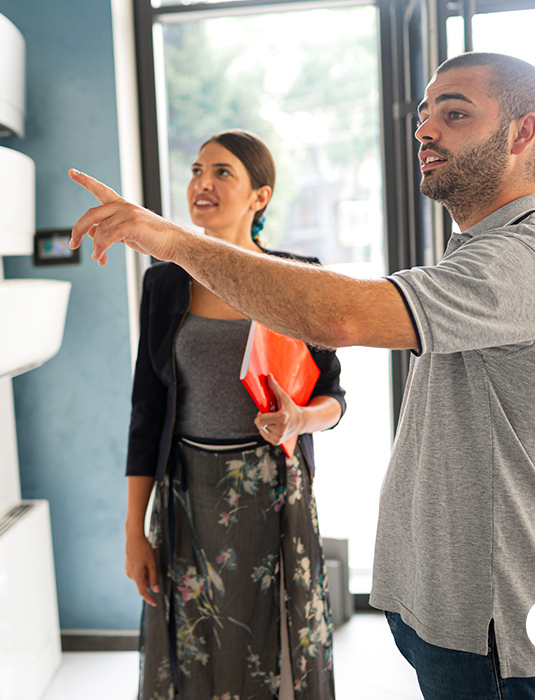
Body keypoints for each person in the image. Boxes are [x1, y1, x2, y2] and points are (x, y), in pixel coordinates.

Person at [69, 52, 535, 699]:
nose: (426, 130)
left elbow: (342, 318)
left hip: (494, 621)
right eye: (423, 116)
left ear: (523, 133)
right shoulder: (479, 254)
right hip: (448, 609)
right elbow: (148, 407)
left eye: (455, 113)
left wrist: (174, 241)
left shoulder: (527, 263)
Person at [126, 129, 345, 700]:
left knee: (275, 639)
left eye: (223, 173)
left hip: (272, 491)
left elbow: (335, 399)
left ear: (259, 196)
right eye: (198, 170)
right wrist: (134, 527)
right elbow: (146, 410)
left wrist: (299, 418)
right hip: (185, 493)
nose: (202, 183)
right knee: (195, 642)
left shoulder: (297, 276)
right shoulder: (165, 281)